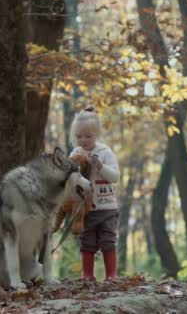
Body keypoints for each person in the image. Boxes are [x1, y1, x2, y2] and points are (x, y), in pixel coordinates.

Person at [68, 106, 120, 281]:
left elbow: (115, 177)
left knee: (108, 240)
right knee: (87, 241)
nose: (83, 140)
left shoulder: (105, 152)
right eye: (79, 136)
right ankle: (87, 275)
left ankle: (111, 275)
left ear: (97, 134)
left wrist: (99, 166)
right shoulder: (75, 153)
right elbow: (68, 176)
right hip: (85, 208)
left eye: (88, 136)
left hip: (107, 206)